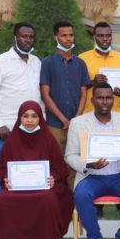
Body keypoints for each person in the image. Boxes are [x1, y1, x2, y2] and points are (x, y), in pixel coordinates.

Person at [65, 83, 120, 239]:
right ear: (92, 100)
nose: (105, 101)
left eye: (108, 97)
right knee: (81, 195)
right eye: (100, 97)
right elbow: (69, 155)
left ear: (113, 99)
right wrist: (88, 164)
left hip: (119, 175)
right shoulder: (77, 123)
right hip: (91, 175)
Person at [0, 101, 73, 239]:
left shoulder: (48, 139)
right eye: (25, 116)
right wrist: (6, 179)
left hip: (46, 186)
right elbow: (0, 168)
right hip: (18, 187)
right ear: (19, 118)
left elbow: (61, 169)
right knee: (3, 199)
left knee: (48, 198)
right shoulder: (12, 140)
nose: (29, 120)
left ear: (40, 118)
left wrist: (53, 178)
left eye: (34, 116)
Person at [0, 22, 43, 217]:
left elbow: (39, 97)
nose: (28, 40)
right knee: (3, 178)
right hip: (5, 131)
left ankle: (22, 218)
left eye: (31, 37)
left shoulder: (36, 62)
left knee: (29, 177)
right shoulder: (0, 62)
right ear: (14, 37)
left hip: (32, 129)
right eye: (24, 36)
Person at [40, 21, 90, 151]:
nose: (68, 38)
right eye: (64, 35)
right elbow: (45, 95)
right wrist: (64, 120)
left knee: (75, 161)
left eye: (71, 35)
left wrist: (76, 119)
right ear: (55, 37)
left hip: (76, 123)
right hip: (55, 124)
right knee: (55, 161)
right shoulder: (47, 63)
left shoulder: (81, 64)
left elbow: (84, 93)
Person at [79, 22, 120, 114]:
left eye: (108, 35)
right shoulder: (82, 58)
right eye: (100, 36)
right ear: (94, 37)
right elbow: (74, 87)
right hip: (89, 114)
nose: (105, 39)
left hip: (116, 114)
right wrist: (92, 82)